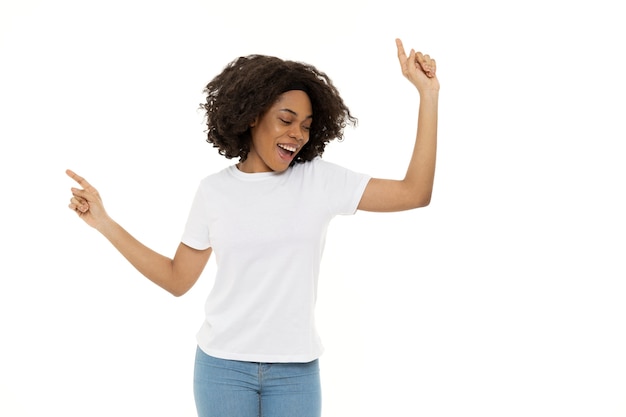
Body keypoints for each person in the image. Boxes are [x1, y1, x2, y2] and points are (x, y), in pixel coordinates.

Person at [66, 38, 439, 417]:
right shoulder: (214, 191)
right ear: (251, 116)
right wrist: (104, 223)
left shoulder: (319, 181)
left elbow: (414, 193)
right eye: (286, 119)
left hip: (296, 370)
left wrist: (428, 94)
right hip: (222, 367)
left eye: (306, 126)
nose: (297, 134)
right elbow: (177, 279)